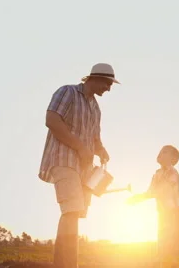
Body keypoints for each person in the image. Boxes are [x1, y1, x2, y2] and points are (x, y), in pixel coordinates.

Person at [38, 63, 120, 268]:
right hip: (63, 159)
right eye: (108, 83)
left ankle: (64, 264)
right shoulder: (67, 91)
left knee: (75, 213)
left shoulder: (95, 108)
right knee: (72, 210)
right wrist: (81, 147)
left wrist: (100, 149)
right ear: (96, 78)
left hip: (84, 168)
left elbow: (94, 138)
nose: (109, 89)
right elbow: (52, 119)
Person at [127, 145, 179, 268]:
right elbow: (151, 192)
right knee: (163, 243)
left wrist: (139, 198)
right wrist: (137, 198)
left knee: (175, 244)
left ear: (173, 159)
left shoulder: (173, 172)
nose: (161, 154)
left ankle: (177, 264)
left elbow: (161, 190)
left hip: (174, 213)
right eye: (160, 151)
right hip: (163, 213)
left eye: (165, 152)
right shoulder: (156, 174)